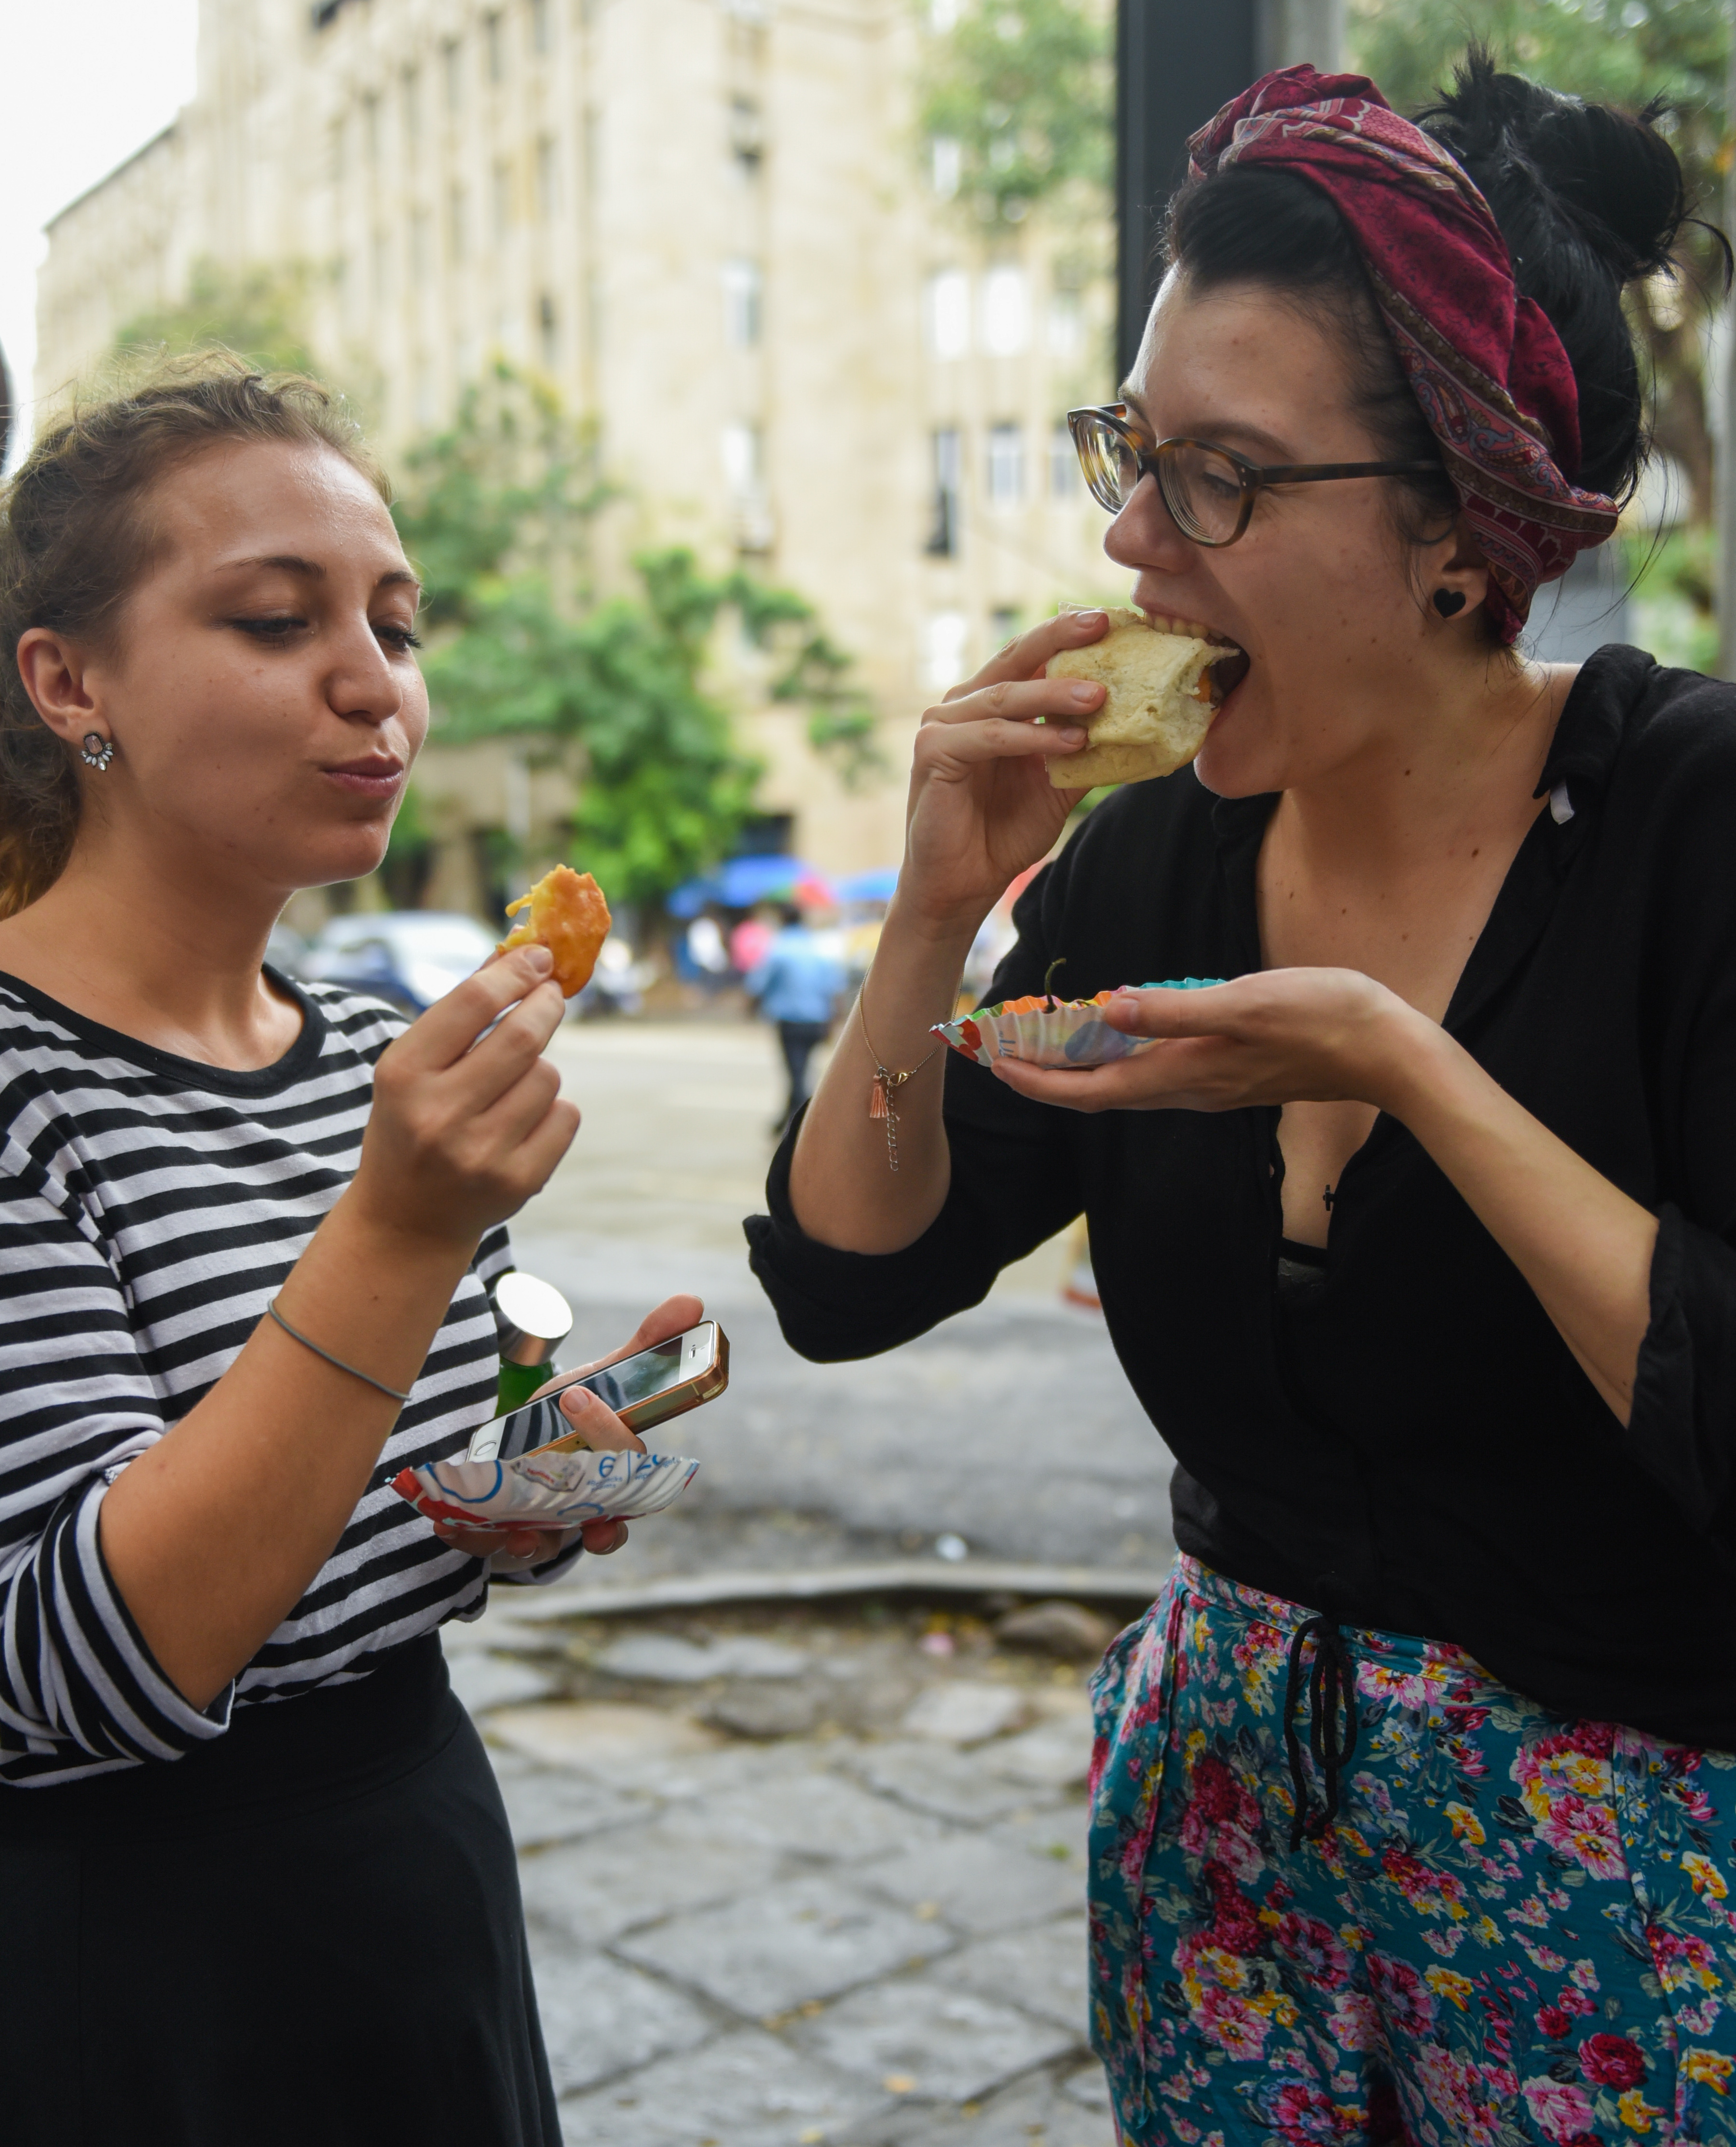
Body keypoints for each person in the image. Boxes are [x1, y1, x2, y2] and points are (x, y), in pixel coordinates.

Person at [747, 56, 1736, 2147]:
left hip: (1634, 1883)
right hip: (1220, 1851)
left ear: (1461, 530)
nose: (1121, 538)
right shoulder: (1150, 858)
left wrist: (1398, 1064)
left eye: (1213, 477)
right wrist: (933, 913)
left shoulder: (1688, 828)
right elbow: (850, 1279)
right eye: (1128, 449)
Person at [0, 353, 700, 2145]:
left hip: (413, 1870)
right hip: (124, 1964)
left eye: (394, 623)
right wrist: (397, 1227)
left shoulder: (369, 1035)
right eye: (270, 618)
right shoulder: (25, 1082)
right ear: (70, 680)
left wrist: (541, 1476)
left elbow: (377, 1506)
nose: (370, 685)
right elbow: (90, 1661)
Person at [747, 901, 846, 1130]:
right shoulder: (816, 947)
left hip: (791, 1021)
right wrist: (835, 1021)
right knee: (800, 1070)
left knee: (796, 1073)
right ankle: (785, 1120)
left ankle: (801, 1126)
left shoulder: (779, 948)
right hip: (817, 1020)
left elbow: (758, 984)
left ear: (782, 920)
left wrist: (750, 1009)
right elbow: (835, 989)